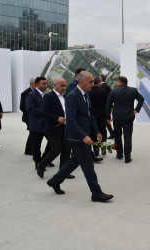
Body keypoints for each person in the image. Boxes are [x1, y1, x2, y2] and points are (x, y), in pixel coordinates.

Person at [46, 71, 113, 202]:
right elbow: (71, 120)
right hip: (77, 137)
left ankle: (54, 181)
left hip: (84, 134)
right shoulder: (72, 96)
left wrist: (97, 131)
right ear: (81, 82)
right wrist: (83, 136)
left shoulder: (86, 95)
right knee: (88, 166)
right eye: (90, 82)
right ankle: (96, 193)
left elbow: (90, 115)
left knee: (73, 162)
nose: (93, 84)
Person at [36, 78, 74, 179]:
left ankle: (63, 172)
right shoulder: (48, 96)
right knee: (56, 149)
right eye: (62, 86)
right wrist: (57, 118)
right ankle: (41, 165)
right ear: (55, 85)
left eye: (65, 85)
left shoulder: (65, 97)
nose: (64, 88)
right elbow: (43, 112)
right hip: (52, 129)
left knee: (66, 150)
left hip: (65, 128)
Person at [106, 76, 144, 163]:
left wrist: (108, 117)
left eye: (117, 82)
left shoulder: (114, 91)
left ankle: (119, 154)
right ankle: (127, 157)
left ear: (120, 82)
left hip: (117, 118)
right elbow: (141, 99)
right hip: (129, 117)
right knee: (127, 137)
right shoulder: (133, 90)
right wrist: (136, 110)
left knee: (117, 136)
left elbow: (108, 105)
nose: (116, 83)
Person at [26, 76, 49, 167]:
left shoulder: (47, 95)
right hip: (36, 124)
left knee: (53, 143)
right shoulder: (31, 95)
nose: (46, 85)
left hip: (46, 124)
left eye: (46, 83)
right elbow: (30, 108)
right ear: (37, 84)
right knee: (37, 145)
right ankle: (37, 162)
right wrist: (45, 113)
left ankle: (45, 158)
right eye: (43, 84)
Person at [89, 76, 109, 156]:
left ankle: (96, 151)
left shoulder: (89, 91)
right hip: (101, 115)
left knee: (93, 133)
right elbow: (107, 103)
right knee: (103, 131)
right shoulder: (103, 91)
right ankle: (103, 148)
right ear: (98, 82)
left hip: (92, 115)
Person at [20, 78, 36, 155]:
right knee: (32, 132)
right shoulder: (25, 93)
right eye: (35, 84)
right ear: (31, 84)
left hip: (35, 117)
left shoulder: (38, 92)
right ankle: (28, 149)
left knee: (33, 133)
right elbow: (22, 107)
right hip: (28, 117)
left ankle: (31, 148)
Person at [99, 74, 114, 139]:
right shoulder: (107, 86)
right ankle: (112, 133)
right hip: (107, 106)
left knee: (106, 121)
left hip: (104, 107)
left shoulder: (102, 87)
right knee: (106, 121)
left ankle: (111, 133)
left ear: (101, 79)